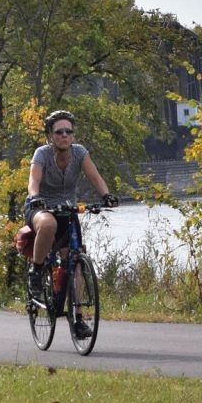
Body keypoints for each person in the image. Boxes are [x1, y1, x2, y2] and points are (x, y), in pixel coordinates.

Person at [23, 110, 119, 338]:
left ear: (73, 135)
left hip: (67, 209)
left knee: (74, 263)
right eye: (59, 132)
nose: (64, 135)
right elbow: (33, 181)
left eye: (69, 131)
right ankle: (36, 272)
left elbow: (95, 177)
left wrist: (106, 195)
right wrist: (35, 196)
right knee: (48, 226)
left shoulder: (80, 153)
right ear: (50, 136)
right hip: (41, 207)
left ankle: (77, 319)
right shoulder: (42, 154)